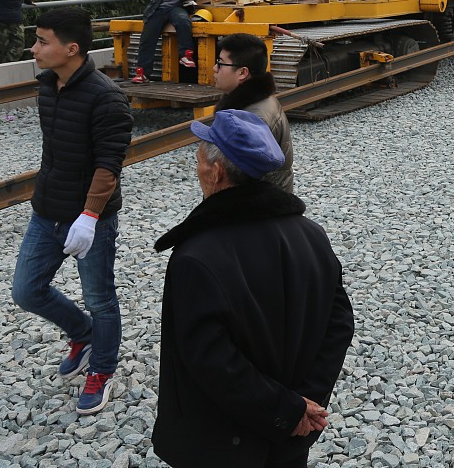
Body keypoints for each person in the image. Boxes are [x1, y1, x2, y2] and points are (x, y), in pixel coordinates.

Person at [152, 109, 355, 468]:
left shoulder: (196, 257)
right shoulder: (312, 236)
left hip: (219, 445)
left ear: (216, 172)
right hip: (291, 438)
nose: (197, 168)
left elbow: (210, 358)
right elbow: (338, 324)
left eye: (198, 160)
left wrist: (287, 409)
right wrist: (304, 404)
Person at [11, 8, 133, 414]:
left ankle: (102, 369)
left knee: (100, 299)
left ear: (71, 49)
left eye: (42, 41)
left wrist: (90, 216)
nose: (34, 49)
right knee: (27, 290)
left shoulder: (107, 98)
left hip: (88, 218)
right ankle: (83, 334)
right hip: (47, 210)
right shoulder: (48, 86)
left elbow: (108, 164)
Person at [212, 33, 294, 192]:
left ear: (243, 73)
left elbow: (241, 182)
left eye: (220, 63)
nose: (215, 68)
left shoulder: (251, 120)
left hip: (257, 204)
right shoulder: (257, 102)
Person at [132, 0, 210, 83]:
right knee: (148, 37)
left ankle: (186, 55)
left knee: (183, 21)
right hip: (159, 8)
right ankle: (142, 73)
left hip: (177, 7)